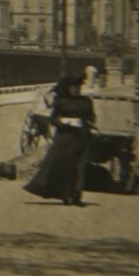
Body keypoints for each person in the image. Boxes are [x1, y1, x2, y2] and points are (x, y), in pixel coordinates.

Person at [24, 73, 97, 206]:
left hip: (82, 137)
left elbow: (92, 116)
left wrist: (88, 122)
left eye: (79, 87)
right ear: (68, 88)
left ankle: (76, 196)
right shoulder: (60, 101)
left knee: (79, 167)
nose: (77, 90)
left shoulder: (86, 101)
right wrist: (63, 124)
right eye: (74, 88)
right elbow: (52, 119)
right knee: (63, 166)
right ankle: (64, 195)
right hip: (65, 138)